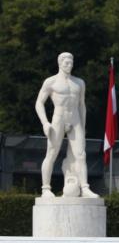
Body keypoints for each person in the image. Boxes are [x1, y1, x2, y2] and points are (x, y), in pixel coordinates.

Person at [34, 52, 98, 198]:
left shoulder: (79, 83)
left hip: (75, 119)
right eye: (66, 63)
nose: (69, 65)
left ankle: (85, 187)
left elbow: (82, 105)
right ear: (60, 63)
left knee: (81, 155)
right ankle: (45, 188)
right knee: (51, 153)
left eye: (71, 62)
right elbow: (39, 103)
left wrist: (83, 125)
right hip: (58, 118)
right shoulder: (51, 82)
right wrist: (45, 123)